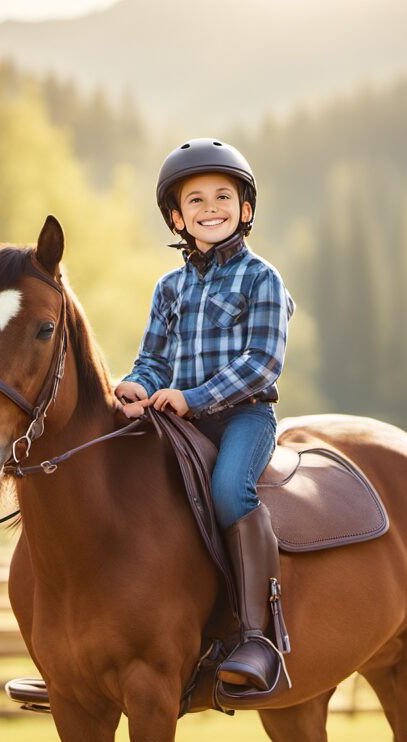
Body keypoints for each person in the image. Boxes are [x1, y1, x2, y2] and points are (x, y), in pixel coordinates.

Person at [115, 138, 294, 694]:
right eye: (195, 200)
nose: (210, 207)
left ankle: (257, 636)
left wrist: (193, 397)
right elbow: (153, 360)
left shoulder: (262, 278)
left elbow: (261, 363)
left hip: (242, 418)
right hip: (180, 420)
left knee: (229, 494)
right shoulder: (168, 287)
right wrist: (133, 386)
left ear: (245, 210)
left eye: (223, 196)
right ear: (177, 216)